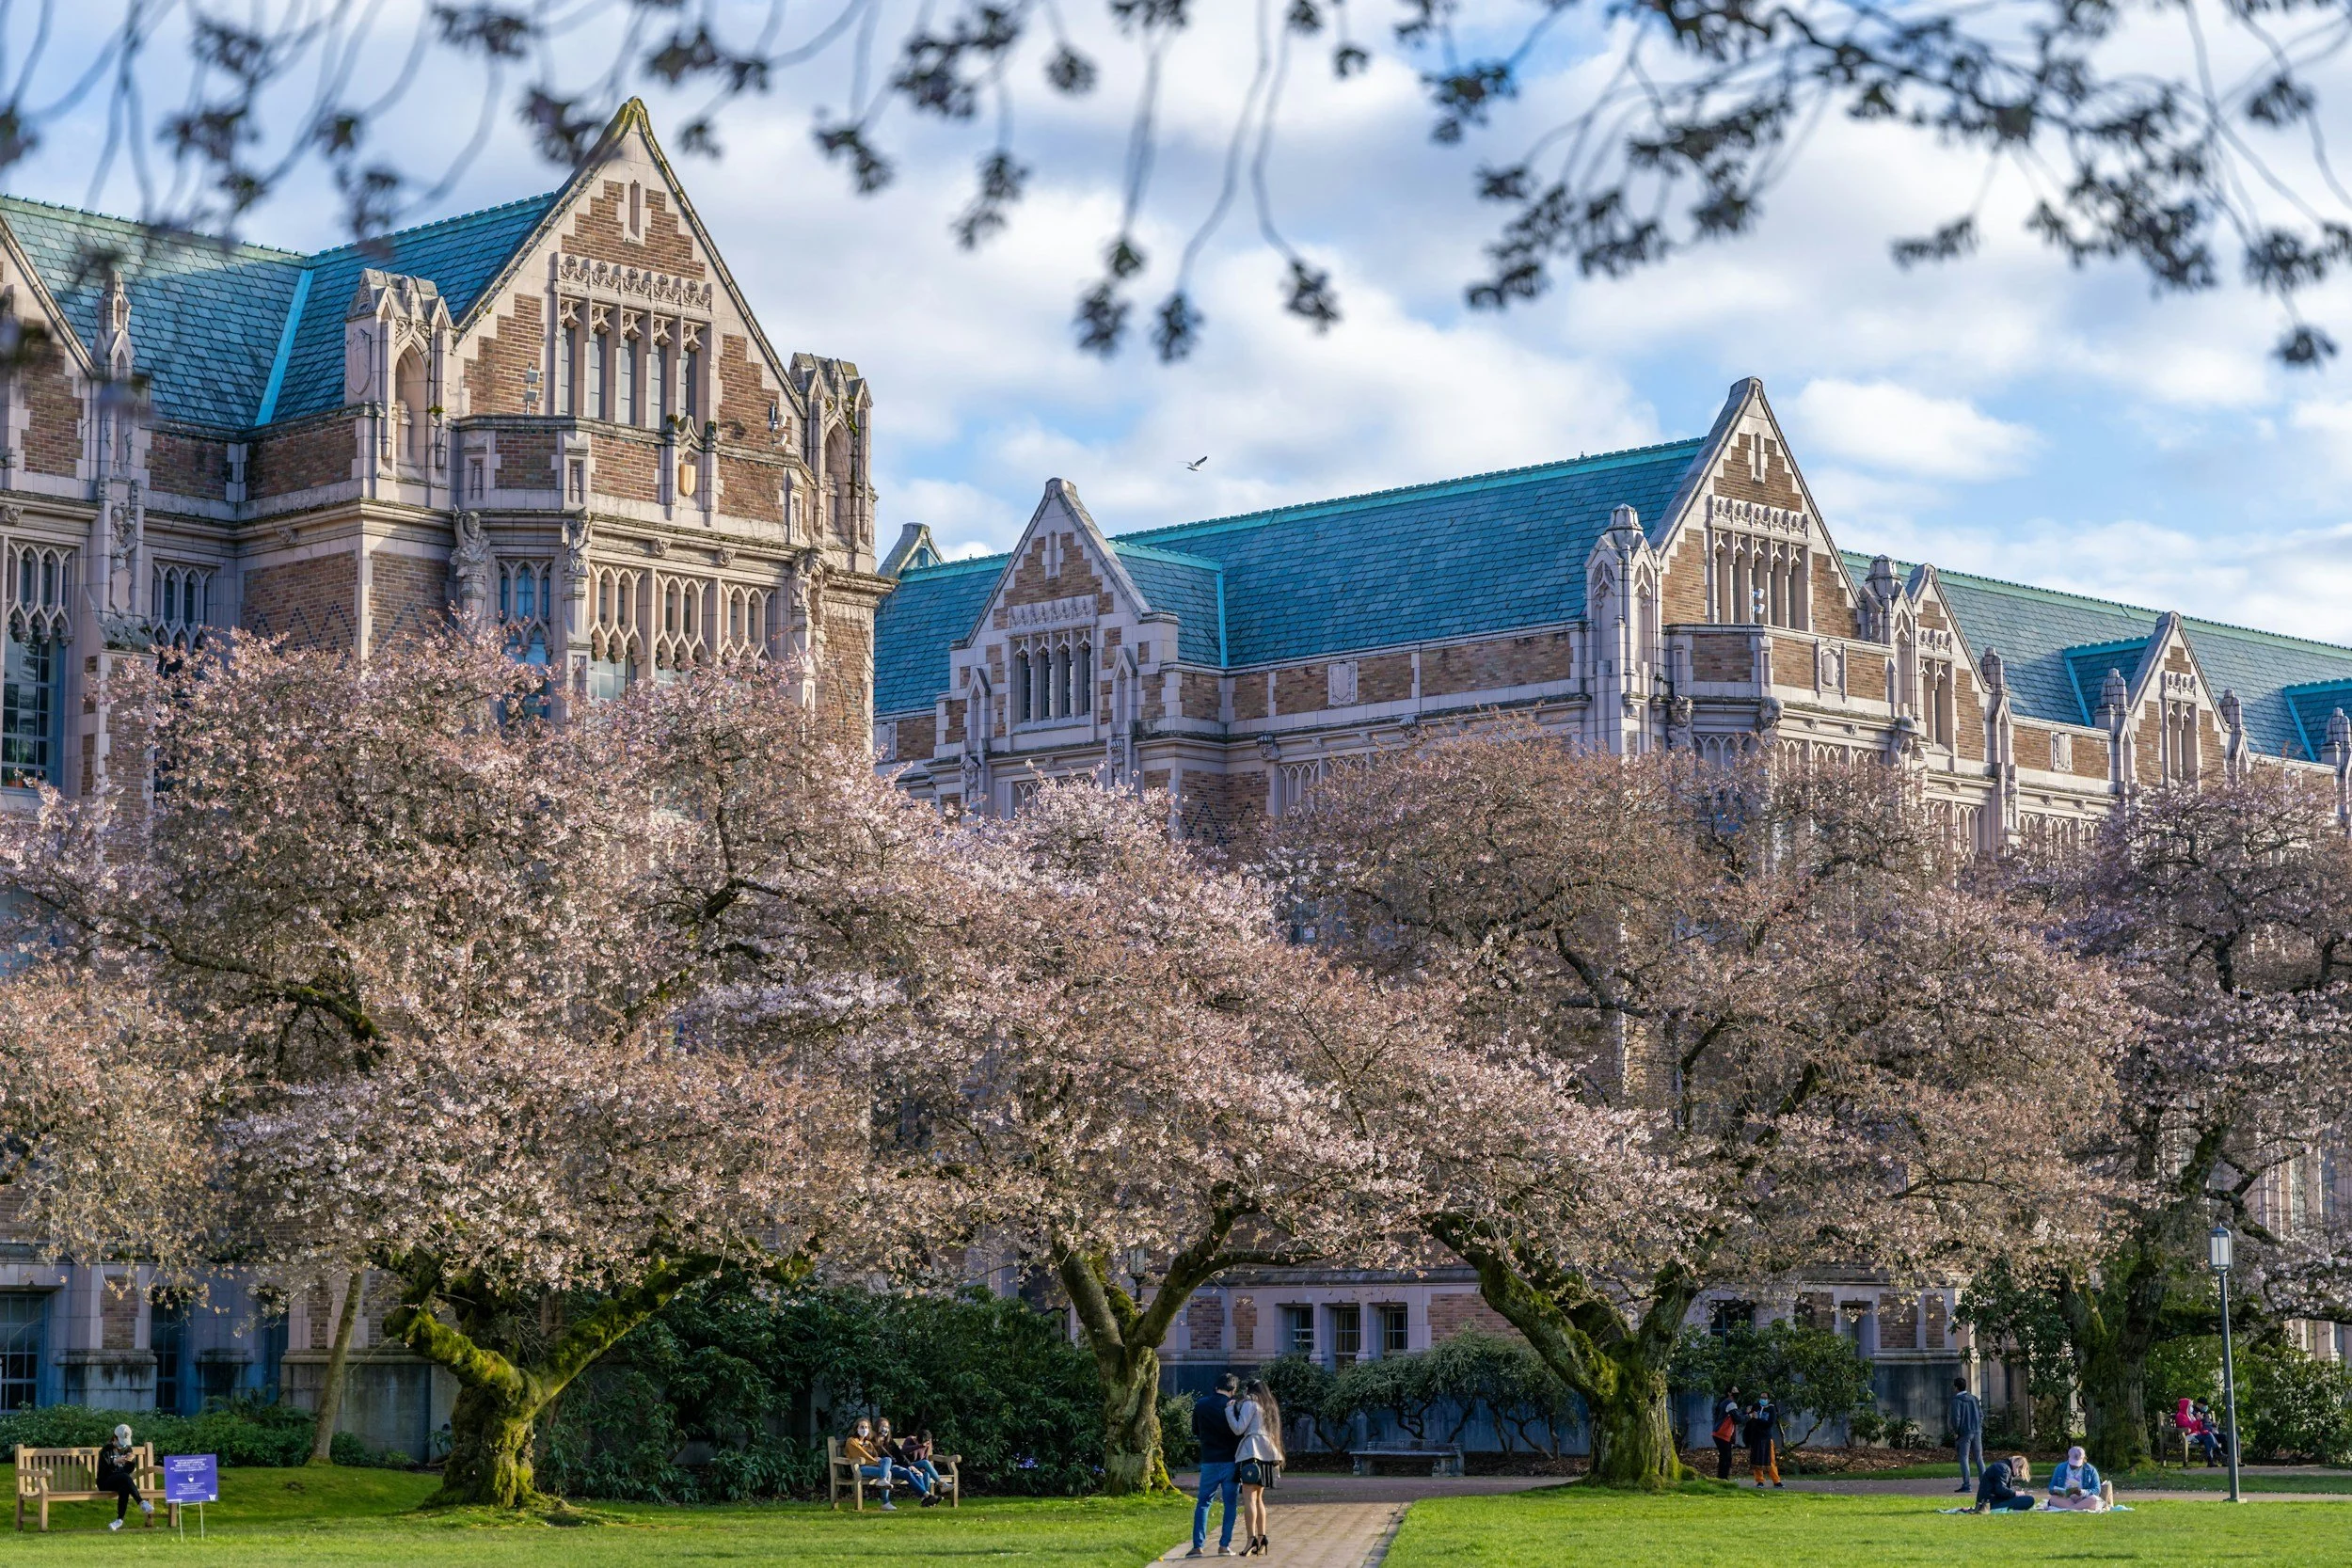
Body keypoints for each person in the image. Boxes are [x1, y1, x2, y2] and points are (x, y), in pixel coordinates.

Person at [1229, 1377, 1284, 1558]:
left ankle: (1250, 1539)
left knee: (1249, 1499)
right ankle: (1262, 1537)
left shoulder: (1250, 1403)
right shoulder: (1269, 1406)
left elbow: (1238, 1428)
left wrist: (1230, 1410)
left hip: (1251, 1452)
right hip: (1269, 1453)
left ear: (1249, 1390)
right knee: (1259, 1498)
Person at [1189, 1372, 1243, 1557]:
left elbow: (1195, 1429)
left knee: (1203, 1503)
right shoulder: (1234, 1407)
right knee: (1230, 1504)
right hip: (1231, 1461)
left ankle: (1197, 1546)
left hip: (1209, 1460)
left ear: (1216, 1386)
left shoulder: (1201, 1404)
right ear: (1233, 1390)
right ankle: (1224, 1545)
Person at [97, 1424, 152, 1531]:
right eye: (121, 1442)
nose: (123, 1446)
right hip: (105, 1482)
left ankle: (119, 1520)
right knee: (124, 1478)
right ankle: (141, 1502)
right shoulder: (106, 1450)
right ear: (115, 1438)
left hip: (121, 1480)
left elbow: (129, 1470)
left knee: (125, 1487)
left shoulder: (127, 1449)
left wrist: (131, 1462)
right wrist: (115, 1462)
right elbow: (103, 1472)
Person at [844, 1417, 908, 1510]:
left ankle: (884, 1496)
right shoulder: (852, 1441)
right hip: (859, 1468)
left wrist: (877, 1459)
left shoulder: (868, 1443)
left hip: (871, 1466)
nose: (864, 1429)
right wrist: (875, 1460)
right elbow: (860, 1455)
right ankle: (885, 1501)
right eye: (862, 1427)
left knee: (887, 1460)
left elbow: (875, 1455)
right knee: (887, 1473)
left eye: (866, 1427)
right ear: (856, 1429)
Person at [876, 1419, 937, 1506]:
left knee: (916, 1473)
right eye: (882, 1426)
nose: (884, 1429)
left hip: (900, 1465)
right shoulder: (873, 1442)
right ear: (877, 1427)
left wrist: (910, 1466)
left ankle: (925, 1499)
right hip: (887, 1467)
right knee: (907, 1473)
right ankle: (927, 1495)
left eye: (886, 1427)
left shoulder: (890, 1441)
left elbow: (900, 1455)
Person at [2045, 1445, 2114, 1512]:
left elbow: (2096, 1490)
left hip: (2083, 1499)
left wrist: (2083, 1492)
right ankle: (2076, 1508)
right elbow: (2051, 1487)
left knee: (2095, 1500)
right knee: (2053, 1499)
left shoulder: (2091, 1470)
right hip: (2065, 1499)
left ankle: (2070, 1509)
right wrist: (2060, 1491)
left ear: (2083, 1459)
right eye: (2072, 1464)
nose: (2074, 1466)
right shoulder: (2060, 1468)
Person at [1948, 1377, 1985, 1494]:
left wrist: (1957, 1431)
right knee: (1979, 1458)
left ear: (1956, 1387)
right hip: (1976, 1431)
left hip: (1964, 1432)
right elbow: (1981, 1415)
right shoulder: (1974, 1399)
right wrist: (1978, 1427)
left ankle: (1967, 1484)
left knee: (1964, 1458)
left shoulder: (1956, 1401)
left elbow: (1956, 1418)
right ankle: (1985, 1483)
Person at [1973, 1453, 2037, 1513]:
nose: (2017, 1474)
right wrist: (2015, 1493)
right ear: (2017, 1465)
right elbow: (2001, 1490)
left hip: (1987, 1501)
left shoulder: (2002, 1466)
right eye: (2019, 1472)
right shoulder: (2004, 1469)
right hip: (1991, 1503)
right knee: (2029, 1500)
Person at [1743, 1396, 1783, 1488]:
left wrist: (1758, 1419)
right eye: (1761, 1397)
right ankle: (1759, 1481)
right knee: (1756, 1460)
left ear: (1768, 1399)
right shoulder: (1756, 1406)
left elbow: (1769, 1423)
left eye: (1765, 1397)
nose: (1763, 1399)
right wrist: (1748, 1412)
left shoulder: (1771, 1409)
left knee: (1770, 1459)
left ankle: (1776, 1481)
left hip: (1766, 1437)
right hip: (1756, 1437)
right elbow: (1750, 1419)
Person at [1712, 1386, 1743, 1481]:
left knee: (1724, 1456)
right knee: (1726, 1457)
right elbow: (1738, 1419)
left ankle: (1722, 1477)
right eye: (1735, 1391)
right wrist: (1749, 1416)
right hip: (1723, 1433)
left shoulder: (1724, 1402)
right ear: (1729, 1393)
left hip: (1719, 1433)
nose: (1737, 1392)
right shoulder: (1731, 1404)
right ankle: (1723, 1478)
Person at [2191, 1398, 2226, 1465]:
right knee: (2208, 1437)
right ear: (2199, 1404)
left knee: (2224, 1437)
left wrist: (2213, 1423)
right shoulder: (2195, 1412)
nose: (2206, 1407)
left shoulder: (2205, 1413)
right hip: (2201, 1434)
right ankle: (2217, 1455)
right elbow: (2199, 1424)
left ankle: (2225, 1459)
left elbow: (2208, 1422)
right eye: (2205, 1405)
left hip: (2211, 1432)